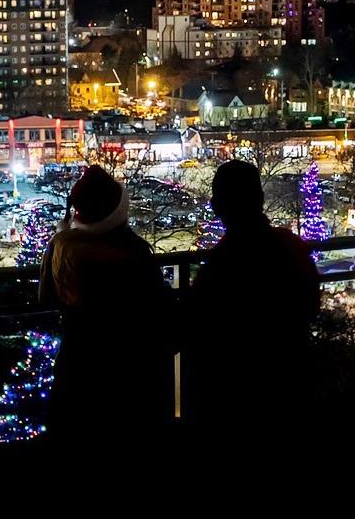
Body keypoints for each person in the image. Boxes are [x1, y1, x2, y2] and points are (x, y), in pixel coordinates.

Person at [39, 165, 174, 447]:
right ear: (117, 213)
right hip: (128, 373)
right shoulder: (134, 253)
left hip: (77, 364)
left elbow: (47, 298)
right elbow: (158, 312)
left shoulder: (61, 247)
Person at [182, 160, 321, 428]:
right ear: (260, 199)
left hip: (235, 397)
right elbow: (310, 305)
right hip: (290, 383)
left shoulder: (222, 263)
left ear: (218, 206)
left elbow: (194, 325)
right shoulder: (291, 246)